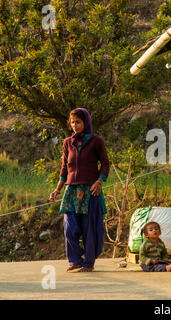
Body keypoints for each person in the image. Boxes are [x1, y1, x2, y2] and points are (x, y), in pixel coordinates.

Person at [49, 108, 109, 272]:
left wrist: (99, 181)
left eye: (78, 122)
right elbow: (64, 169)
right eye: (73, 122)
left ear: (86, 122)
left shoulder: (96, 141)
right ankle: (75, 260)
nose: (75, 125)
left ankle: (88, 263)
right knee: (70, 227)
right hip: (70, 191)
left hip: (90, 190)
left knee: (89, 227)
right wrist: (57, 190)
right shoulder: (67, 142)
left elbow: (105, 164)